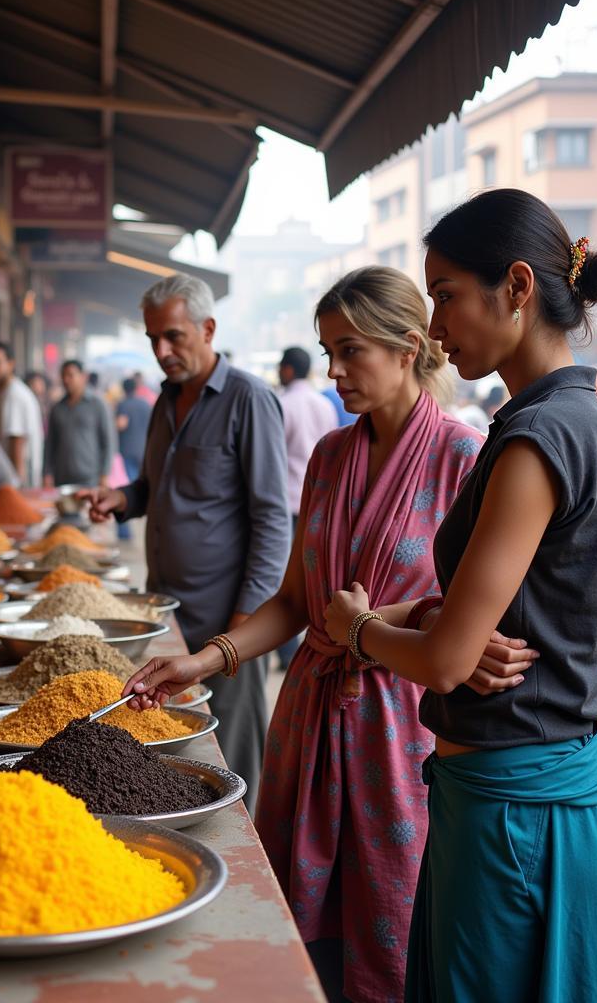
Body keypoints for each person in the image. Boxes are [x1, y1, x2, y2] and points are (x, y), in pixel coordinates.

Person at [123, 266, 521, 1003]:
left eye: (349, 351)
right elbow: (299, 601)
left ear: (408, 349)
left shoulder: (465, 461)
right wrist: (206, 659)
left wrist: (392, 626)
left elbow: (478, 621)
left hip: (400, 734)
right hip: (308, 715)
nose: (332, 371)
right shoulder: (332, 458)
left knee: (395, 935)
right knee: (306, 945)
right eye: (326, 350)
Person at [319, 192, 597, 1002]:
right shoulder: (563, 419)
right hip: (514, 791)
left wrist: (362, 626)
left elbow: (447, 666)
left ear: (516, 287)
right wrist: (423, 617)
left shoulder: (538, 437)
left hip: (515, 806)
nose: (436, 327)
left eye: (445, 295)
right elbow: (530, 609)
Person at [81, 273, 290, 810]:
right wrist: (121, 499)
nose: (162, 350)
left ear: (208, 328)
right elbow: (155, 487)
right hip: (167, 613)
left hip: (228, 621)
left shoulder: (249, 399)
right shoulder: (164, 402)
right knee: (177, 749)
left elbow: (271, 518)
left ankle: (242, 868)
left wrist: (246, 621)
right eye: (153, 339)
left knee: (233, 757)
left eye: (173, 336)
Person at [275, 346, 339, 670]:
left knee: (287, 582)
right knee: (310, 578)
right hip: (317, 501)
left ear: (287, 370)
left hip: (287, 499)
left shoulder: (282, 404)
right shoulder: (324, 404)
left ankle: (286, 652)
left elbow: (273, 458)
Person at [44, 360, 114, 488]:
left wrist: (104, 474)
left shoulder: (97, 405)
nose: (66, 380)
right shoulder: (57, 408)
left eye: (70, 375)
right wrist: (47, 473)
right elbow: (50, 444)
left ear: (83, 377)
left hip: (90, 478)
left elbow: (109, 441)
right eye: (63, 376)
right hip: (62, 478)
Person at [0, 342, 44, 488]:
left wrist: (16, 489)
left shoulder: (15, 394)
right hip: (4, 479)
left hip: (17, 481)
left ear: (10, 364)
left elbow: (17, 442)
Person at [114, 377, 154, 541]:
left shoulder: (124, 404)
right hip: (143, 450)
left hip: (127, 451)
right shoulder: (145, 404)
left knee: (125, 490)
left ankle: (124, 531)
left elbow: (121, 424)